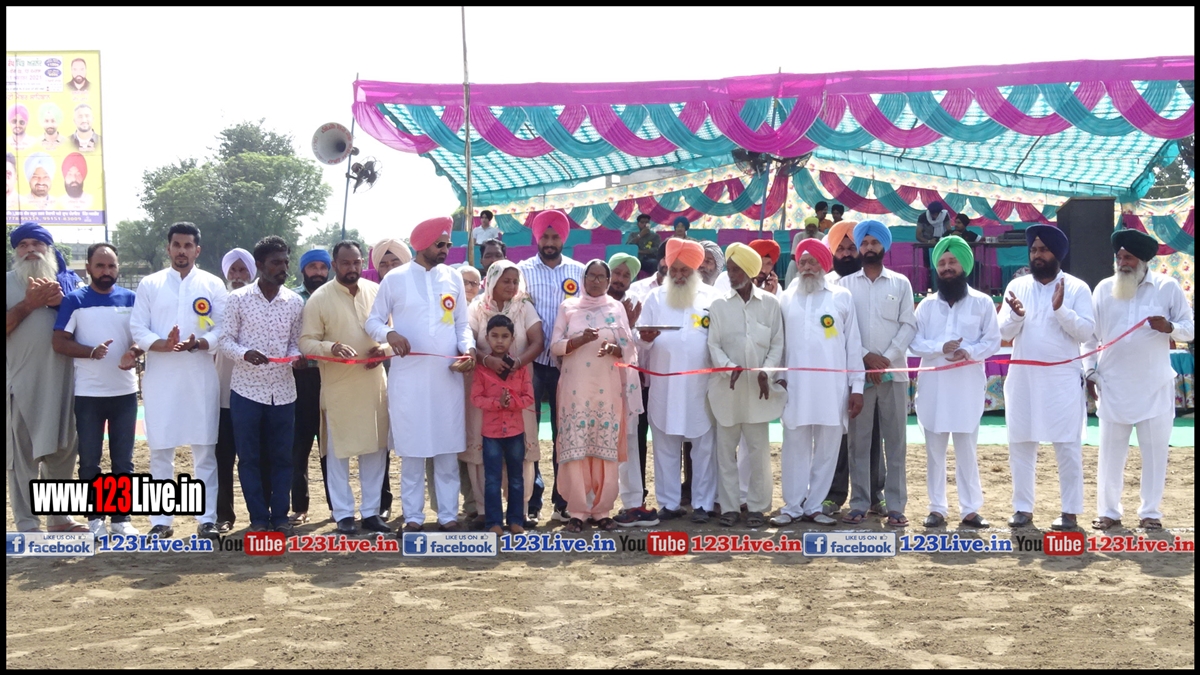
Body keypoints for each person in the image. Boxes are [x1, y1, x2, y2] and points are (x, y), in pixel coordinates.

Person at [367, 216, 476, 532]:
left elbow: (461, 324)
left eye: (448, 244)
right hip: (409, 380)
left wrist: (468, 349)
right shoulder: (395, 279)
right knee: (412, 451)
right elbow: (373, 321)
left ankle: (448, 517)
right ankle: (413, 518)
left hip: (447, 378)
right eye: (440, 244)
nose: (445, 250)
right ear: (422, 244)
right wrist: (390, 334)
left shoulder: (453, 278)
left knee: (447, 450)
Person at [1086, 229, 1193, 531]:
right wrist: (1090, 371)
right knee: (1110, 455)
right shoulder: (1103, 289)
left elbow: (1190, 328)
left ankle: (1150, 513)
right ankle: (1109, 512)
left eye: (1129, 257)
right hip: (1112, 385)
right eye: (1119, 257)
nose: (1122, 262)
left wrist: (1169, 327)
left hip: (1154, 386)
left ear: (1143, 261)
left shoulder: (1167, 287)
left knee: (1155, 455)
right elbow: (1090, 336)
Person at [130, 222, 226, 539]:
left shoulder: (212, 284)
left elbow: (222, 328)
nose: (181, 251)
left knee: (205, 450)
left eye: (187, 246)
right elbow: (138, 328)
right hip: (161, 378)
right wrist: (163, 344)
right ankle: (161, 521)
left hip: (200, 376)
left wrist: (199, 343)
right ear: (168, 248)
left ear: (197, 250)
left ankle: (207, 518)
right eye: (176, 245)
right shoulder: (150, 284)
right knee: (160, 450)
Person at [998, 225, 1095, 531]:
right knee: (1021, 443)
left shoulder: (1077, 288)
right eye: (1034, 250)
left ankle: (1070, 512)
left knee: (1067, 446)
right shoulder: (1017, 286)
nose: (1037, 255)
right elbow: (1002, 333)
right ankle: (1022, 508)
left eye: (1043, 249)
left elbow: (1086, 332)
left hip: (1061, 381)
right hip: (1024, 378)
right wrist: (1016, 316)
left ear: (1058, 253)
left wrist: (1061, 310)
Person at [300, 241, 392, 535]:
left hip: (373, 385)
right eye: (345, 263)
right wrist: (332, 347)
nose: (351, 268)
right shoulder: (319, 299)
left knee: (375, 450)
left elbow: (393, 332)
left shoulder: (376, 291)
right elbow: (306, 342)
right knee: (338, 453)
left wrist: (384, 350)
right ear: (335, 265)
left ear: (362, 263)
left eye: (356, 262)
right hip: (338, 387)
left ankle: (371, 513)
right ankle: (343, 514)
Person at [771, 238, 864, 527]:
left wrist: (857, 387)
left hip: (832, 388)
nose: (807, 267)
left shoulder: (841, 296)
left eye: (813, 262)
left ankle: (814, 506)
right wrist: (779, 379)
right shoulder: (786, 297)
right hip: (795, 386)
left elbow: (853, 345)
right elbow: (779, 343)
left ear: (824, 265)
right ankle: (792, 506)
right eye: (803, 262)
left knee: (827, 448)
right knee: (794, 445)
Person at [52, 243, 142, 539]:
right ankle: (95, 519)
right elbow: (59, 342)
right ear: (88, 267)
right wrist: (91, 351)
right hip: (88, 395)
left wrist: (133, 351)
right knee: (90, 460)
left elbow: (141, 337)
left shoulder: (131, 299)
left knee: (123, 461)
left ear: (118, 268)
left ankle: (121, 519)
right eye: (100, 266)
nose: (106, 271)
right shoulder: (75, 300)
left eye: (111, 266)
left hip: (125, 393)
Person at [911, 236, 1000, 529]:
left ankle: (970, 510)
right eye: (942, 263)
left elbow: (993, 341)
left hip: (966, 387)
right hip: (933, 389)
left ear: (964, 265)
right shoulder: (926, 306)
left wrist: (969, 351)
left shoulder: (982, 302)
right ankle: (937, 508)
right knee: (934, 453)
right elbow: (914, 342)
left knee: (967, 451)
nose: (947, 268)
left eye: (952, 262)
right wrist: (940, 347)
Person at [221, 236, 305, 536]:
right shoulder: (238, 299)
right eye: (276, 262)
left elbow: (295, 342)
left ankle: (280, 517)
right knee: (249, 459)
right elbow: (225, 340)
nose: (283, 268)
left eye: (285, 261)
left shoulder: (295, 302)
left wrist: (296, 357)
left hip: (283, 392)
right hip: (246, 391)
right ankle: (258, 518)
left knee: (282, 458)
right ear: (259, 265)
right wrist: (245, 354)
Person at [6, 222, 86, 533]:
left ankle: (59, 519)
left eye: (37, 244)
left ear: (49, 249)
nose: (30, 250)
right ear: (15, 252)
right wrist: (29, 304)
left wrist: (61, 303)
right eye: (23, 245)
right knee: (23, 456)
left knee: (64, 451)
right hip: (21, 382)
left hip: (66, 382)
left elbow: (90, 324)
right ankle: (28, 523)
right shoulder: (8, 283)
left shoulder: (72, 284)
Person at [551, 260, 641, 532]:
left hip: (607, 389)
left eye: (602, 277)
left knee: (604, 448)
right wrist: (578, 341)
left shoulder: (616, 308)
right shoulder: (568, 307)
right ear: (584, 277)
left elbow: (628, 348)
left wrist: (613, 349)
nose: (596, 281)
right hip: (575, 390)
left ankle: (602, 510)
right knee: (577, 447)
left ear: (608, 281)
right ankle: (577, 512)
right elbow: (554, 346)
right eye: (591, 276)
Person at [839, 220, 916, 528]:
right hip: (859, 377)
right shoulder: (845, 286)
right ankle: (859, 503)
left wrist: (885, 359)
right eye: (864, 243)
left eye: (874, 242)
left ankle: (896, 506)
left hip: (893, 374)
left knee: (896, 442)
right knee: (858, 443)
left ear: (885, 245)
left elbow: (908, 325)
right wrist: (865, 358)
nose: (869, 247)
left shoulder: (901, 283)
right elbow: (844, 330)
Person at [637, 238, 718, 522]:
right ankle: (669, 503)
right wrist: (645, 339)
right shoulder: (654, 298)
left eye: (685, 270)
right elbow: (639, 339)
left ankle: (703, 504)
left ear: (696, 270)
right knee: (665, 445)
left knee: (704, 447)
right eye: (675, 270)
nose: (680, 275)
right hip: (665, 386)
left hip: (701, 387)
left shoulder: (713, 298)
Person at [706, 243, 785, 528]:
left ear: (751, 271)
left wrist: (766, 371)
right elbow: (713, 344)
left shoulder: (771, 304)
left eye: (737, 269)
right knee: (725, 453)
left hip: (758, 391)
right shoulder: (718, 305)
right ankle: (729, 508)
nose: (732, 274)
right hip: (726, 390)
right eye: (729, 269)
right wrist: (730, 367)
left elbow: (777, 344)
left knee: (758, 453)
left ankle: (757, 509)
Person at [516, 210, 585, 523]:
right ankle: (532, 501)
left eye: (555, 237)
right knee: (528, 433)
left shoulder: (579, 272)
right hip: (530, 363)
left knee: (564, 433)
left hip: (567, 365)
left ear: (563, 239)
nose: (549, 242)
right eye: (544, 236)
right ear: (537, 237)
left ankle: (563, 500)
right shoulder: (521, 271)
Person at [466, 260, 544, 529]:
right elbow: (467, 340)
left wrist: (517, 363)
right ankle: (485, 511)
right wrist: (487, 361)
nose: (511, 286)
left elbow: (538, 341)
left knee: (520, 452)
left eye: (515, 281)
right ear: (492, 281)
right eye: (505, 281)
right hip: (484, 382)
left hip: (519, 382)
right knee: (482, 449)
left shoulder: (524, 306)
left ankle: (519, 512)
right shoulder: (477, 307)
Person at [820, 218, 870, 514]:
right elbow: (842, 335)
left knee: (870, 437)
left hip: (873, 372)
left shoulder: (871, 280)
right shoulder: (826, 285)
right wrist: (864, 355)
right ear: (832, 252)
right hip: (837, 372)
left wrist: (870, 358)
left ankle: (874, 494)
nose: (848, 254)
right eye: (841, 248)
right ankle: (833, 494)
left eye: (853, 248)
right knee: (836, 436)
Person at [606, 253, 659, 527]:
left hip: (627, 384)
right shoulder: (590, 303)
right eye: (617, 273)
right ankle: (593, 506)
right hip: (596, 386)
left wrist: (642, 335)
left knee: (630, 443)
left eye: (626, 276)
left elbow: (635, 346)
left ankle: (634, 503)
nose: (620, 279)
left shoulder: (634, 304)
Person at [471, 314, 535, 535]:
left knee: (516, 477)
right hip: (491, 433)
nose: (499, 341)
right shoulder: (482, 368)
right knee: (492, 479)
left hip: (515, 431)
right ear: (487, 338)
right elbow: (476, 398)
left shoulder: (520, 367)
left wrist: (511, 403)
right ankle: (494, 523)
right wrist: (497, 403)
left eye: (505, 336)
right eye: (495, 336)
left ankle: (516, 520)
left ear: (512, 339)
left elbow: (529, 397)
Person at [287, 248, 331, 526]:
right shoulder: (292, 299)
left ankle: (337, 507)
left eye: (322, 267)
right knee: (299, 445)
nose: (318, 272)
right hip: (300, 378)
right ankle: (300, 507)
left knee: (331, 444)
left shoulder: (335, 296)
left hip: (331, 376)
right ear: (303, 270)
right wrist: (295, 356)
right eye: (312, 267)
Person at [215, 248, 256, 532]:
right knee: (223, 458)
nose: (238, 276)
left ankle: (259, 515)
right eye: (233, 270)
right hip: (222, 392)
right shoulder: (216, 304)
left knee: (254, 458)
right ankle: (224, 515)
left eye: (243, 270)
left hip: (254, 393)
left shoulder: (260, 304)